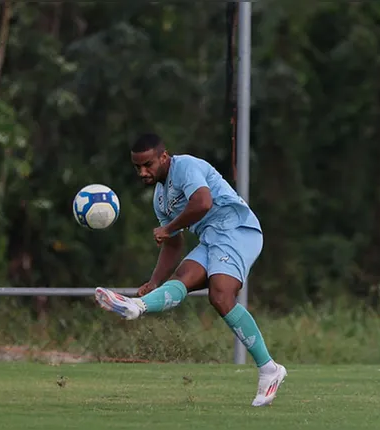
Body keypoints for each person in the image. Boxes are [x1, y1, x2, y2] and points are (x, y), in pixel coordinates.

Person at [94, 132, 286, 407]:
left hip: (237, 229)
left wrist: (169, 227)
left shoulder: (185, 166)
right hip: (212, 237)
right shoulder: (160, 199)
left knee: (220, 295)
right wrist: (154, 280)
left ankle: (270, 370)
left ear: (164, 156)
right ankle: (138, 306)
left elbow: (203, 202)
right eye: (137, 167)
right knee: (182, 278)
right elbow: (172, 244)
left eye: (148, 164)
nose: (142, 172)